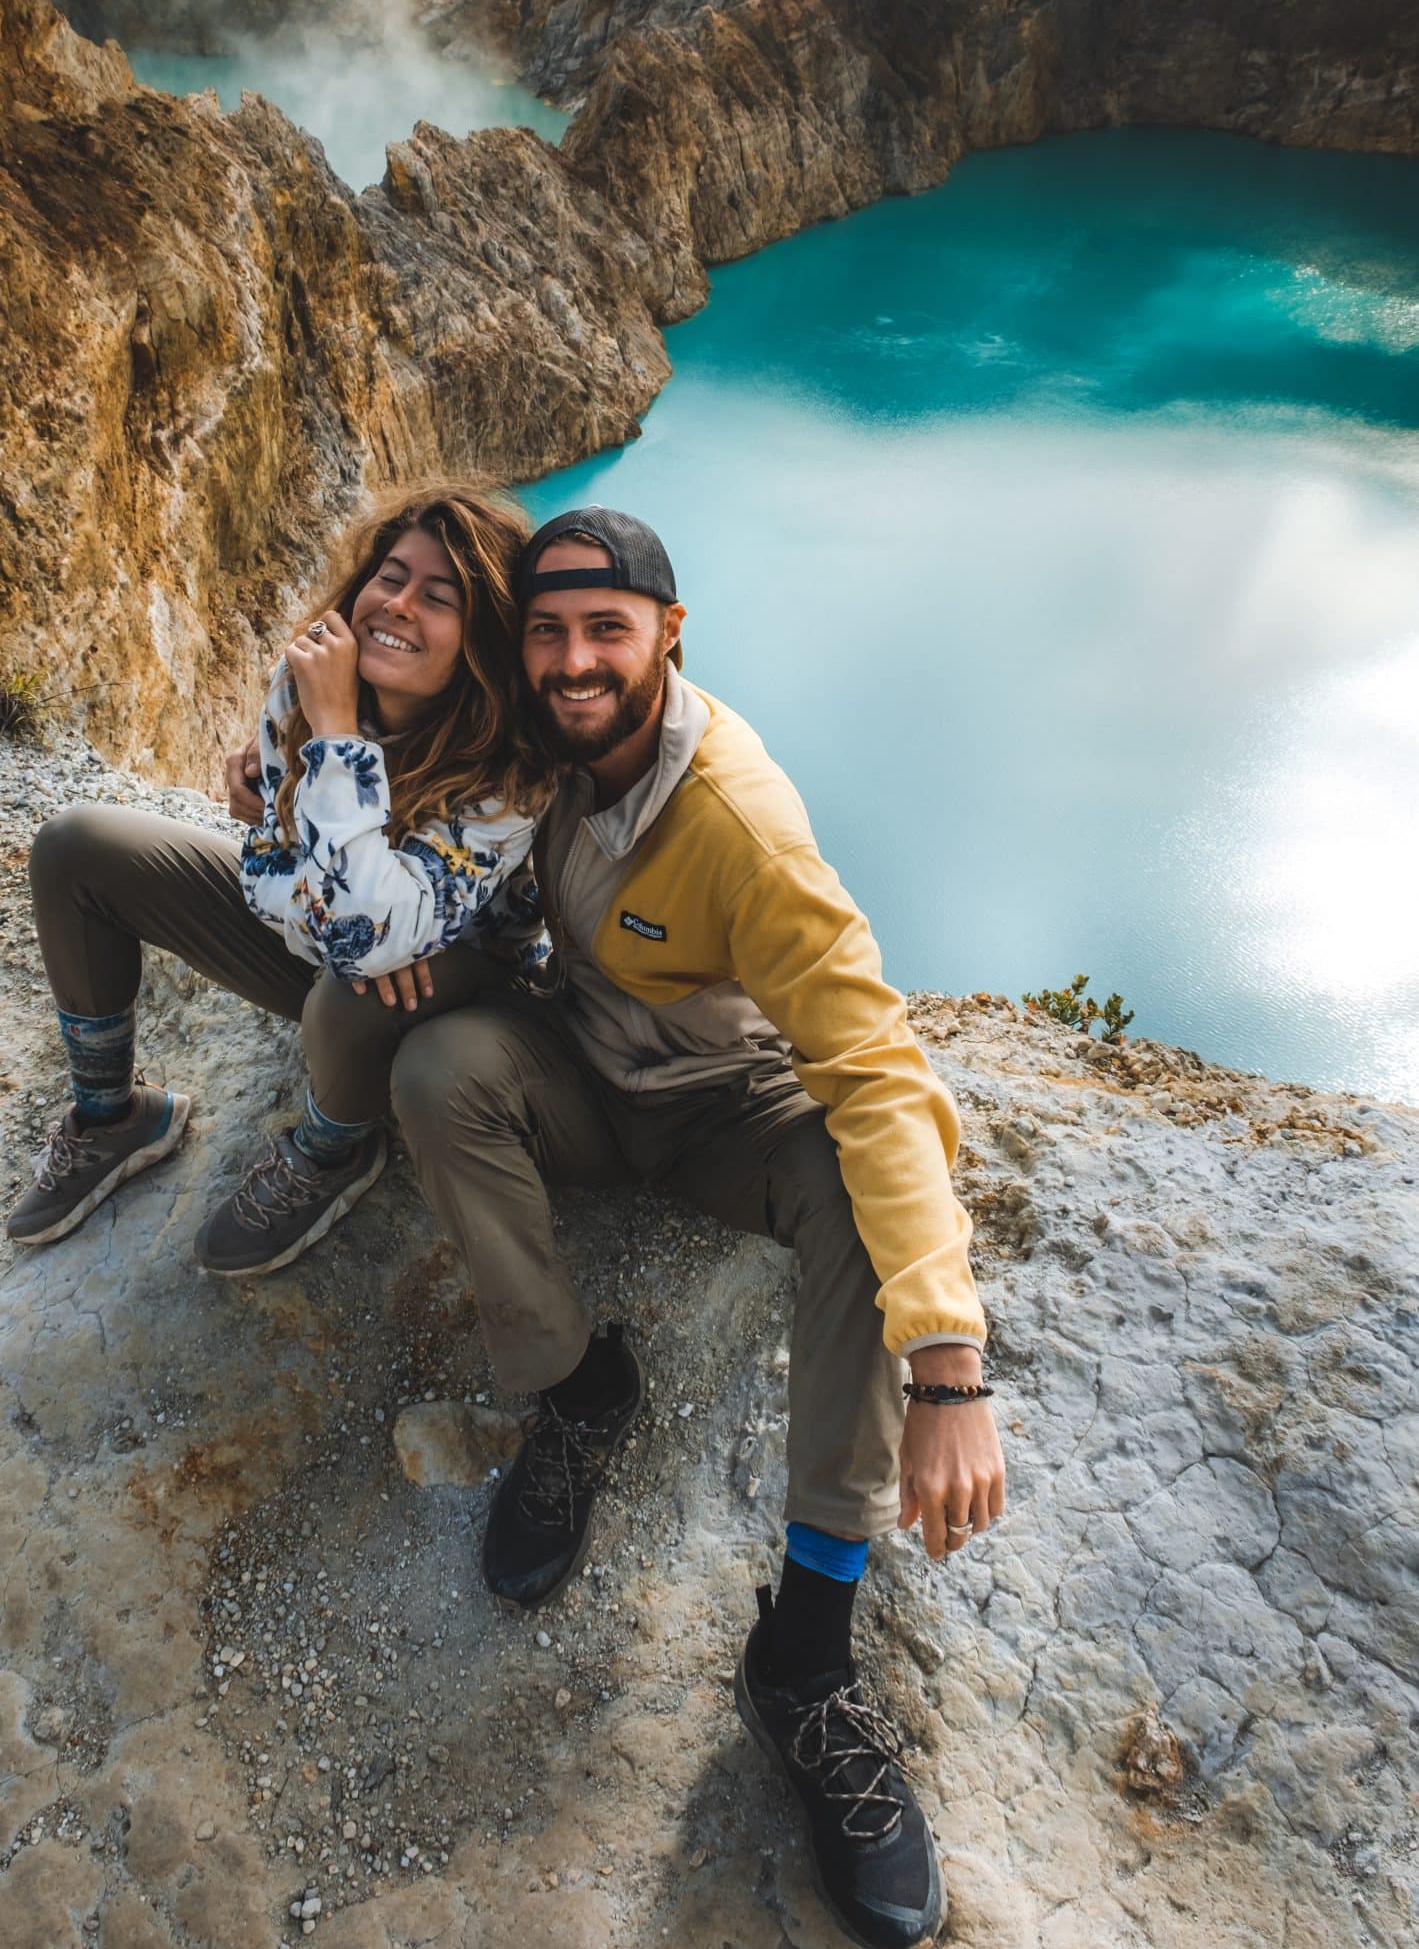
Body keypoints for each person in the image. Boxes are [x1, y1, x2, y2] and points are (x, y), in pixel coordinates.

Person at [301, 505, 1003, 1949]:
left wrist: (947, 1367)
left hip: (723, 1112)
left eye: (605, 632)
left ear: (668, 638)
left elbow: (877, 1071)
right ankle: (580, 1390)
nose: (573, 663)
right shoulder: (536, 747)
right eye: (547, 633)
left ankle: (804, 1658)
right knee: (440, 1070)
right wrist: (282, 764)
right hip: (580, 1070)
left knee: (847, 1192)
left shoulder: (737, 821)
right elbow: (401, 743)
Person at [7, 486, 553, 1266]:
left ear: (484, 641)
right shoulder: (306, 681)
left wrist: (334, 744)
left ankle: (332, 1153)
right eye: (390, 577)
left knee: (356, 987)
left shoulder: (510, 769)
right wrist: (347, 915)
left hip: (458, 988)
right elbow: (268, 872)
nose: (398, 605)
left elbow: (351, 932)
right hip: (326, 947)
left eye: (440, 599)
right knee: (76, 847)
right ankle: (113, 1114)